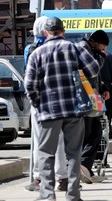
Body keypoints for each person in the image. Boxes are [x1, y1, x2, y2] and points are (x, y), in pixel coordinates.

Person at [24, 17, 100, 201]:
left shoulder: (37, 54)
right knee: (74, 154)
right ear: (63, 32)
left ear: (45, 33)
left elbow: (29, 85)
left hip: (48, 111)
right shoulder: (74, 48)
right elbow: (94, 69)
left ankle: (47, 195)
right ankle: (73, 195)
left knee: (45, 155)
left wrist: (38, 103)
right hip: (73, 110)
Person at [24, 16, 69, 192]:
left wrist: (34, 100)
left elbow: (29, 77)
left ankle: (39, 178)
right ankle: (62, 178)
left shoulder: (32, 49)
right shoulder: (63, 47)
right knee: (59, 142)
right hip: (60, 100)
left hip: (39, 102)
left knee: (39, 141)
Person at [77, 30, 111, 184]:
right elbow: (91, 73)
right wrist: (101, 58)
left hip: (91, 97)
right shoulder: (84, 49)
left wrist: (103, 88)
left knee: (96, 132)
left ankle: (86, 168)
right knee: (91, 133)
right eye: (103, 45)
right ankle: (83, 166)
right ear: (96, 42)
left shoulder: (91, 50)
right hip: (84, 99)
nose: (104, 49)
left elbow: (96, 77)